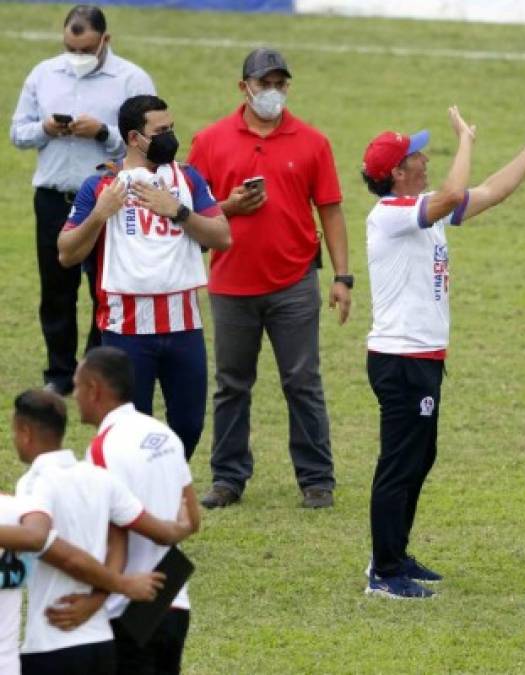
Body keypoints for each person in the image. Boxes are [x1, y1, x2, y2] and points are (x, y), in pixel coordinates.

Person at [360, 105, 525, 598]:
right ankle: (383, 573)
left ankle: (395, 555)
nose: (426, 158)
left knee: (419, 459)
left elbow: (491, 191)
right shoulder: (393, 215)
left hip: (422, 358)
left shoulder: (422, 210)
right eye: (416, 155)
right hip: (401, 360)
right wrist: (466, 140)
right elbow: (451, 194)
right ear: (397, 173)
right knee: (399, 463)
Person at [187, 48, 352, 509]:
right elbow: (190, 214)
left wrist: (343, 277)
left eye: (281, 83)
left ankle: (317, 479)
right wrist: (230, 207)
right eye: (265, 83)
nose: (273, 92)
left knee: (303, 381)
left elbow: (331, 211)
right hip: (231, 284)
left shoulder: (313, 142)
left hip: (295, 283)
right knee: (231, 384)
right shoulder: (210, 141)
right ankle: (227, 478)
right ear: (244, 87)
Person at [57, 95, 230, 460]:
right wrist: (99, 216)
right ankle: (137, 502)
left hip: (184, 325)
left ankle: (165, 485)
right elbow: (67, 252)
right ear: (135, 138)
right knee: (131, 428)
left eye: (172, 129)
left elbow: (222, 237)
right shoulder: (101, 186)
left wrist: (178, 211)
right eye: (162, 131)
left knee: (189, 424)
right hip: (126, 329)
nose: (171, 137)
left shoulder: (188, 179)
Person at [10, 4, 155, 396]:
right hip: (54, 199)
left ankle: (95, 367)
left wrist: (103, 133)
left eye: (85, 50)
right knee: (55, 288)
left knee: (106, 288)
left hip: (109, 199)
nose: (76, 58)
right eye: (70, 48)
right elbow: (17, 133)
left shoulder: (131, 79)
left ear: (105, 41)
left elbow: (150, 139)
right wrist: (44, 128)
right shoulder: (43, 74)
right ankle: (59, 372)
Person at [11, 389, 195, 674]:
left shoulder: (34, 483)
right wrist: (182, 527)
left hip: (51, 640)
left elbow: (46, 545)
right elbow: (146, 532)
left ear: (24, 431)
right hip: (101, 643)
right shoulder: (100, 479)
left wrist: (121, 585)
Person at [71, 346, 200, 674]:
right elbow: (192, 515)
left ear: (94, 390)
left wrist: (97, 595)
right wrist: (175, 532)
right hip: (174, 601)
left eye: (76, 386)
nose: (74, 396)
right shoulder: (165, 435)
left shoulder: (103, 448)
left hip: (127, 604)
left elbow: (113, 530)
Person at [0, 490, 163, 675]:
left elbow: (67, 556)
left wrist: (114, 588)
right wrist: (121, 584)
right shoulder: (18, 511)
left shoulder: (15, 511)